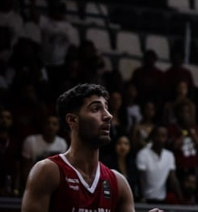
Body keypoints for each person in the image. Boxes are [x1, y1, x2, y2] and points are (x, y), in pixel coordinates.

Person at [20, 83, 164, 212]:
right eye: (96, 108)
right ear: (72, 120)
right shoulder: (48, 171)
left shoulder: (118, 183)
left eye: (107, 109)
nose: (108, 116)